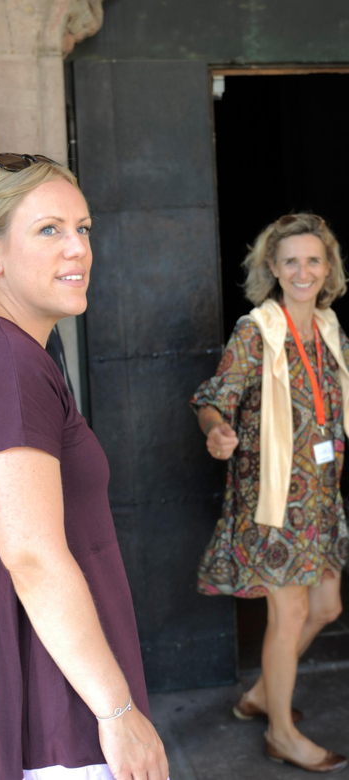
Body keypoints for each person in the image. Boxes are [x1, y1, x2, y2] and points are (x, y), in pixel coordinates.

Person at [0, 154, 169, 780]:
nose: (77, 248)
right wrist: (118, 712)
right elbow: (31, 555)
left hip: (2, 704)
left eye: (82, 228)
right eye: (49, 229)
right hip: (46, 720)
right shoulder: (8, 365)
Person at [192, 214, 348, 773]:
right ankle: (281, 733)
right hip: (275, 500)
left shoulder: (330, 330)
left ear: (327, 268)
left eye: (313, 260)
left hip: (321, 498)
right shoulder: (256, 331)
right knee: (291, 612)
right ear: (274, 270)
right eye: (291, 262)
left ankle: (261, 694)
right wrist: (217, 429)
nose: (303, 272)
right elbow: (212, 396)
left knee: (325, 607)